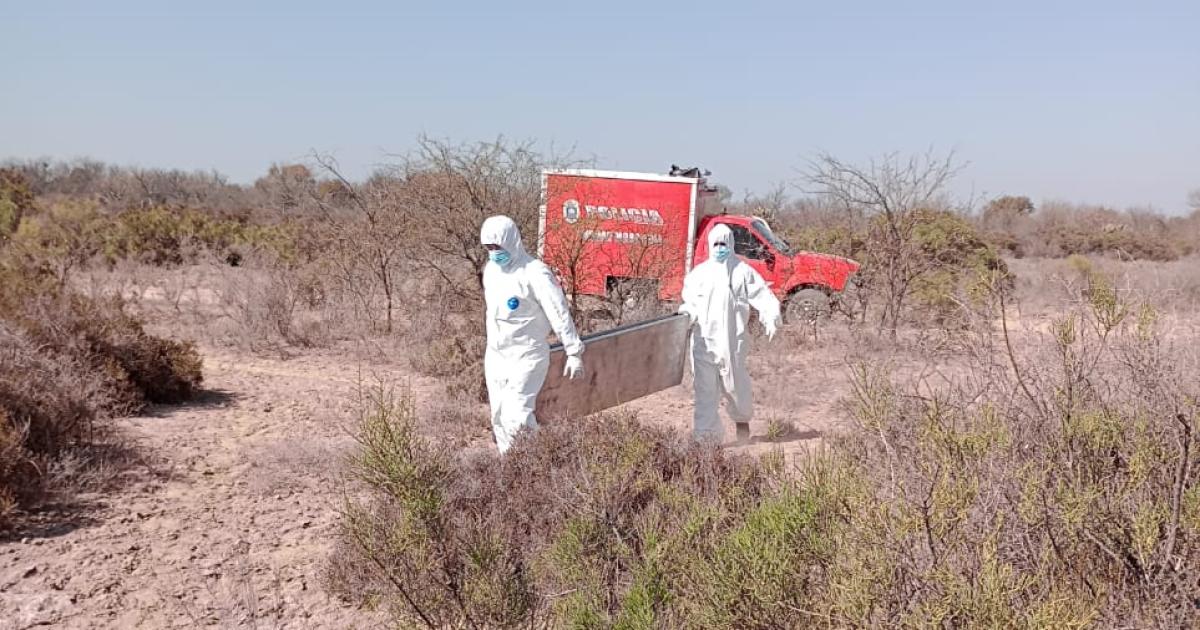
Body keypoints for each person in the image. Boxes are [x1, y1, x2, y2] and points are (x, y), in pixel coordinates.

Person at [480, 215, 585, 453]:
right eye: (489, 248)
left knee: (516, 417)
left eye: (497, 246)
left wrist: (573, 351)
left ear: (511, 241)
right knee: (499, 418)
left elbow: (559, 312)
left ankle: (535, 464)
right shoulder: (491, 272)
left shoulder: (535, 273)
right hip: (496, 356)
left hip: (526, 355)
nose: (494, 252)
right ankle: (511, 471)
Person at [678, 223, 781, 443]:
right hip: (703, 343)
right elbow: (689, 302)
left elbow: (763, 295)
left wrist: (770, 315)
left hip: (732, 342)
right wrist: (686, 315)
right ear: (709, 244)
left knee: (734, 385)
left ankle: (742, 422)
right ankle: (706, 441)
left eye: (724, 244)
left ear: (731, 244)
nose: (719, 248)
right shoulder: (699, 274)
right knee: (705, 391)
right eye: (716, 244)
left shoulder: (743, 272)